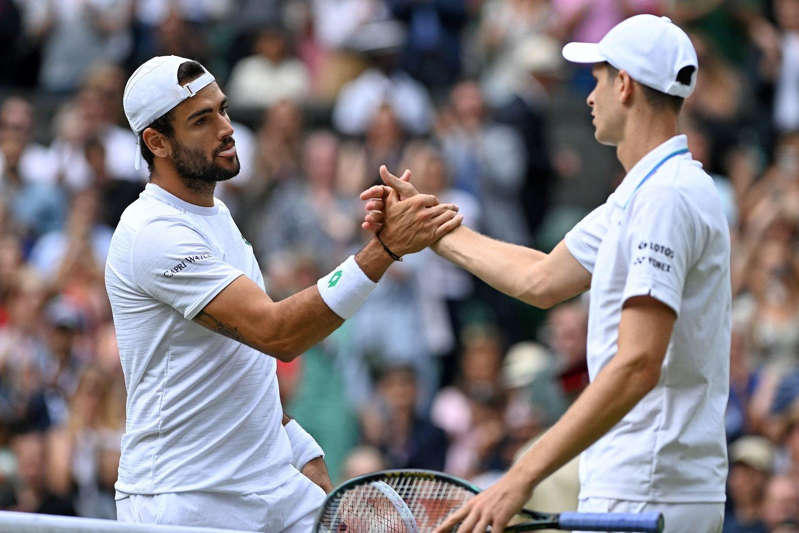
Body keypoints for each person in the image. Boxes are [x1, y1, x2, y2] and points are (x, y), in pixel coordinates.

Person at [363, 14, 731, 533]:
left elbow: (637, 364)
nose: (589, 96)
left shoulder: (665, 197)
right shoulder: (645, 194)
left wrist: (521, 476)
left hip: (650, 489)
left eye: (598, 78)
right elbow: (540, 279)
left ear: (623, 85)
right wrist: (427, 227)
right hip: (642, 486)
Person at [104, 55, 462, 532]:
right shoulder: (153, 233)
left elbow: (238, 362)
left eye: (223, 110)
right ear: (157, 142)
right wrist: (383, 250)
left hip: (269, 486)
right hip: (184, 499)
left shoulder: (217, 216)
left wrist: (297, 445)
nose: (226, 129)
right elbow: (277, 333)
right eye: (201, 120)